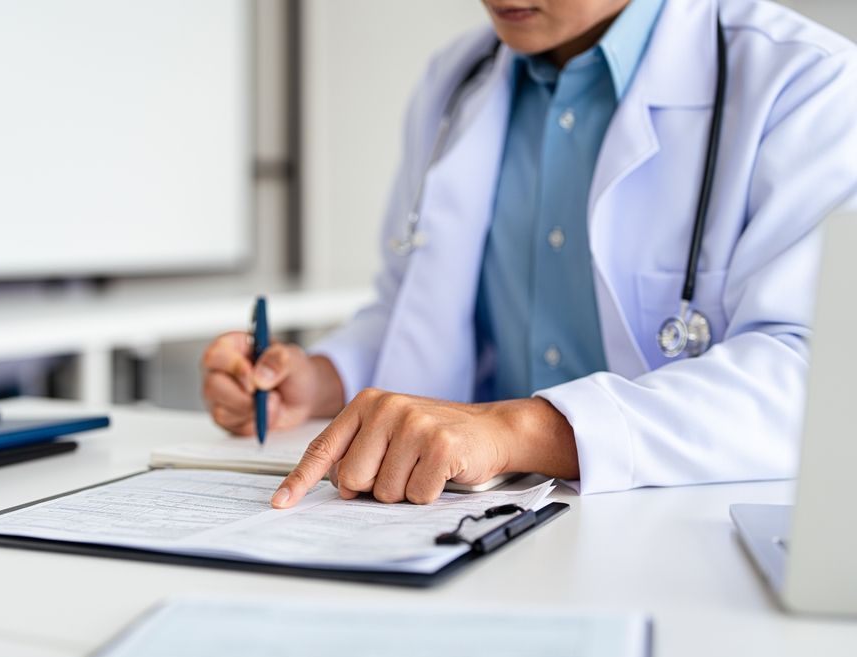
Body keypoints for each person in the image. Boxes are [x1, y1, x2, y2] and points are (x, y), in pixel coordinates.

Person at [202, 0, 857, 509]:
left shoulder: (806, 83)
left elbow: (815, 380)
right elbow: (417, 304)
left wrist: (520, 430)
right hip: (476, 518)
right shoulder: (456, 79)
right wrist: (321, 379)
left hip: (682, 527)